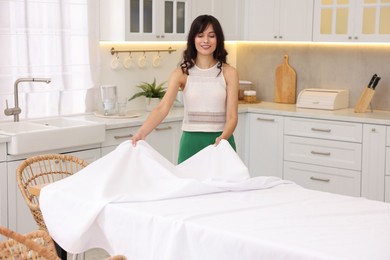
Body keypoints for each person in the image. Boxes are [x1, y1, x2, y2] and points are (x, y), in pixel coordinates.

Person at [131, 14, 239, 164]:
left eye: (211, 36)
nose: (206, 40)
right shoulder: (181, 73)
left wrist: (223, 139)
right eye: (200, 35)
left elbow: (232, 116)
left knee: (225, 187)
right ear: (193, 39)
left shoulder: (229, 73)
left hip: (222, 141)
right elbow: (162, 107)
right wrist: (141, 132)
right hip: (191, 143)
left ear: (218, 39)